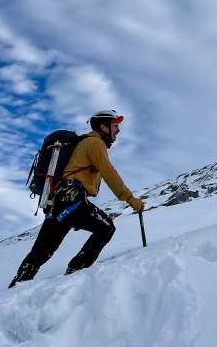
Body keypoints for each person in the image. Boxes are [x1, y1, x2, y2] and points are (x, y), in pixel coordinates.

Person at [9, 110, 145, 287]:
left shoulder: (85, 143)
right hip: (72, 199)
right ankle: (75, 272)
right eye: (115, 125)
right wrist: (130, 198)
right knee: (106, 228)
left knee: (43, 250)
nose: (118, 130)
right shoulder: (95, 143)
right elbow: (109, 173)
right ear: (104, 126)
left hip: (57, 202)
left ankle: (18, 284)